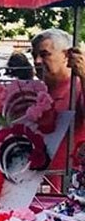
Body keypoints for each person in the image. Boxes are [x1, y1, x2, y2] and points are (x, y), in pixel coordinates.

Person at [31, 29, 85, 187]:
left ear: (67, 56)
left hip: (68, 187)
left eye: (44, 54)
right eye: (34, 55)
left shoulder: (78, 87)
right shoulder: (34, 91)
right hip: (33, 186)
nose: (37, 61)